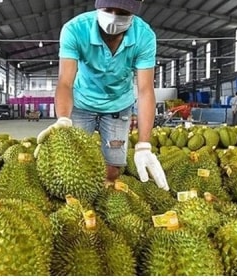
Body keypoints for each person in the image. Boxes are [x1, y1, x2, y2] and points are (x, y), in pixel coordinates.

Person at [35, 0, 169, 191]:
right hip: (81, 104)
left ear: (134, 12)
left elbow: (146, 90)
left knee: (112, 171)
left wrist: (144, 144)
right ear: (98, 5)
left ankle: (105, 202)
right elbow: (65, 82)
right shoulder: (75, 29)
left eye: (121, 12)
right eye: (108, 9)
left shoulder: (144, 36)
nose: (113, 17)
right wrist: (63, 119)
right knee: (73, 163)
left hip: (118, 105)